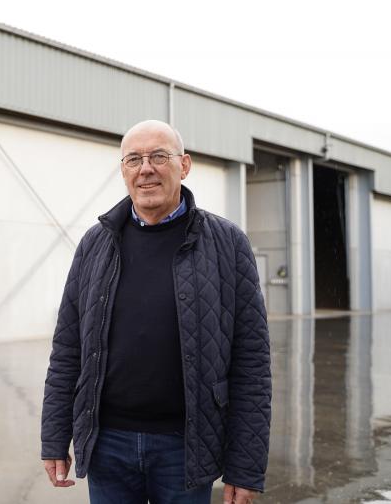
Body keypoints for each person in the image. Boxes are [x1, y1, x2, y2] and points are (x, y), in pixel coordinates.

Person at [41, 120, 271, 504]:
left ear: (185, 165)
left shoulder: (228, 244)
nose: (145, 168)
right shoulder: (95, 244)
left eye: (159, 156)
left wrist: (245, 466)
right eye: (134, 159)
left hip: (185, 448)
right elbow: (67, 351)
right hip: (107, 446)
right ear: (123, 171)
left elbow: (252, 362)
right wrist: (53, 438)